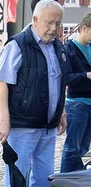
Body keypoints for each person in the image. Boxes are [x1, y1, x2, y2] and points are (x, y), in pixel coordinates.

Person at [0, 0, 68, 187]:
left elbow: (57, 82)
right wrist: (4, 119)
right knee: (18, 177)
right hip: (22, 125)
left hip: (48, 126)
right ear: (35, 20)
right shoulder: (17, 45)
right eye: (49, 23)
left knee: (44, 177)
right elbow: (1, 83)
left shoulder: (57, 46)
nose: (54, 28)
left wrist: (60, 112)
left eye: (58, 23)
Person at [60, 13, 91, 173]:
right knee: (72, 147)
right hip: (77, 103)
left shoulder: (90, 47)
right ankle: (65, 182)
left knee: (84, 146)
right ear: (84, 28)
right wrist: (85, 75)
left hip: (89, 102)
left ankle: (75, 180)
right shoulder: (68, 49)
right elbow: (65, 78)